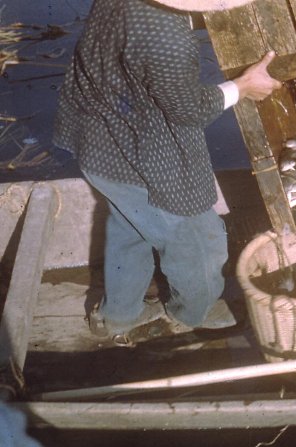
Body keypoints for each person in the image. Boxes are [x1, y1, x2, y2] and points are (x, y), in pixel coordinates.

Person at [52, 0, 282, 343]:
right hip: (145, 156)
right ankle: (192, 313)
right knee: (199, 243)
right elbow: (189, 110)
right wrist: (243, 86)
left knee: (131, 229)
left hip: (99, 142)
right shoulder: (167, 37)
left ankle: (118, 316)